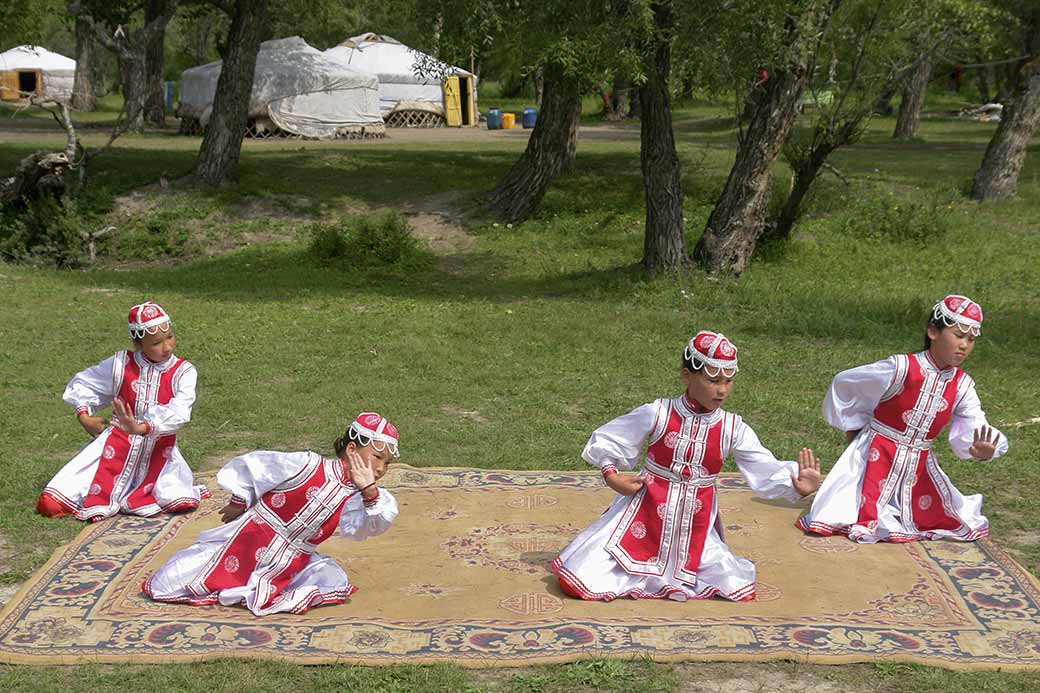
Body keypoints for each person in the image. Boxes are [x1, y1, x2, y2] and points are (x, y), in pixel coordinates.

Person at [552, 331, 820, 602]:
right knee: (579, 578)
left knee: (733, 585)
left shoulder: (731, 428)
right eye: (713, 380)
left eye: (729, 381)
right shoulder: (658, 413)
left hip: (695, 522)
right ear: (686, 376)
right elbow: (611, 438)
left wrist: (796, 484)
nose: (722, 390)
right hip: (644, 513)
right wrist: (611, 475)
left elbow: (762, 464)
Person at [798, 295, 1008, 543]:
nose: (964, 345)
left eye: (971, 339)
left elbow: (974, 423)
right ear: (933, 331)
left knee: (945, 516)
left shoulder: (962, 385)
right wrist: (855, 430)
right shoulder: (900, 368)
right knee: (844, 512)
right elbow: (845, 383)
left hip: (919, 465)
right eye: (958, 335)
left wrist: (981, 449)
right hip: (875, 454)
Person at [142, 413, 399, 615]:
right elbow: (259, 467)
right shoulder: (308, 464)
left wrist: (369, 491)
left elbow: (370, 527)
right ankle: (231, 582)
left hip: (292, 561)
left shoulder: (359, 497)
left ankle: (263, 587)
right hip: (246, 542)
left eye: (387, 463)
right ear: (352, 450)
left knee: (335, 580)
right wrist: (239, 500)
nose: (381, 467)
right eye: (377, 457)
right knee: (165, 582)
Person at [37, 301, 206, 522]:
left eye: (170, 337)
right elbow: (86, 384)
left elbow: (180, 410)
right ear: (138, 343)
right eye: (156, 343)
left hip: (158, 449)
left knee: (176, 499)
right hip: (114, 445)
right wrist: (84, 417)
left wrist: (142, 427)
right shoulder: (120, 364)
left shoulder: (183, 372)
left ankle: (145, 489)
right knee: (50, 504)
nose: (167, 347)